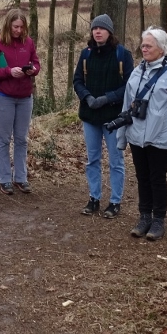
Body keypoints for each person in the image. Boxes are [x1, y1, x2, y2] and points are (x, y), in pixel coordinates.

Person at [116, 27, 167, 241]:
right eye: (143, 45)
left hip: (161, 138)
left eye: (148, 46)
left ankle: (158, 220)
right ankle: (144, 216)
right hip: (136, 135)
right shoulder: (136, 72)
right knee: (142, 177)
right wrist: (121, 137)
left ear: (161, 49)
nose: (143, 49)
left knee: (157, 178)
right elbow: (126, 106)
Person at [73, 14, 134, 217]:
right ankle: (94, 198)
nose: (97, 31)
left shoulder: (122, 55)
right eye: (94, 28)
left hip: (113, 117)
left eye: (102, 28)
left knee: (116, 160)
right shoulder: (86, 54)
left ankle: (115, 202)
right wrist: (87, 97)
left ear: (110, 32)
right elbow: (77, 81)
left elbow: (129, 86)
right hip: (90, 115)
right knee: (93, 159)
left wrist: (107, 98)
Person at [0, 7, 40, 194]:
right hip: (3, 97)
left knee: (21, 139)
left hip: (25, 97)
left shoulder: (28, 42)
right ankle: (4, 178)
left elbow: (36, 62)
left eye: (21, 27)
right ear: (8, 25)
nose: (18, 30)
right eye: (15, 27)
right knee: (3, 139)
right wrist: (9, 71)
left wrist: (33, 70)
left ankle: (21, 177)